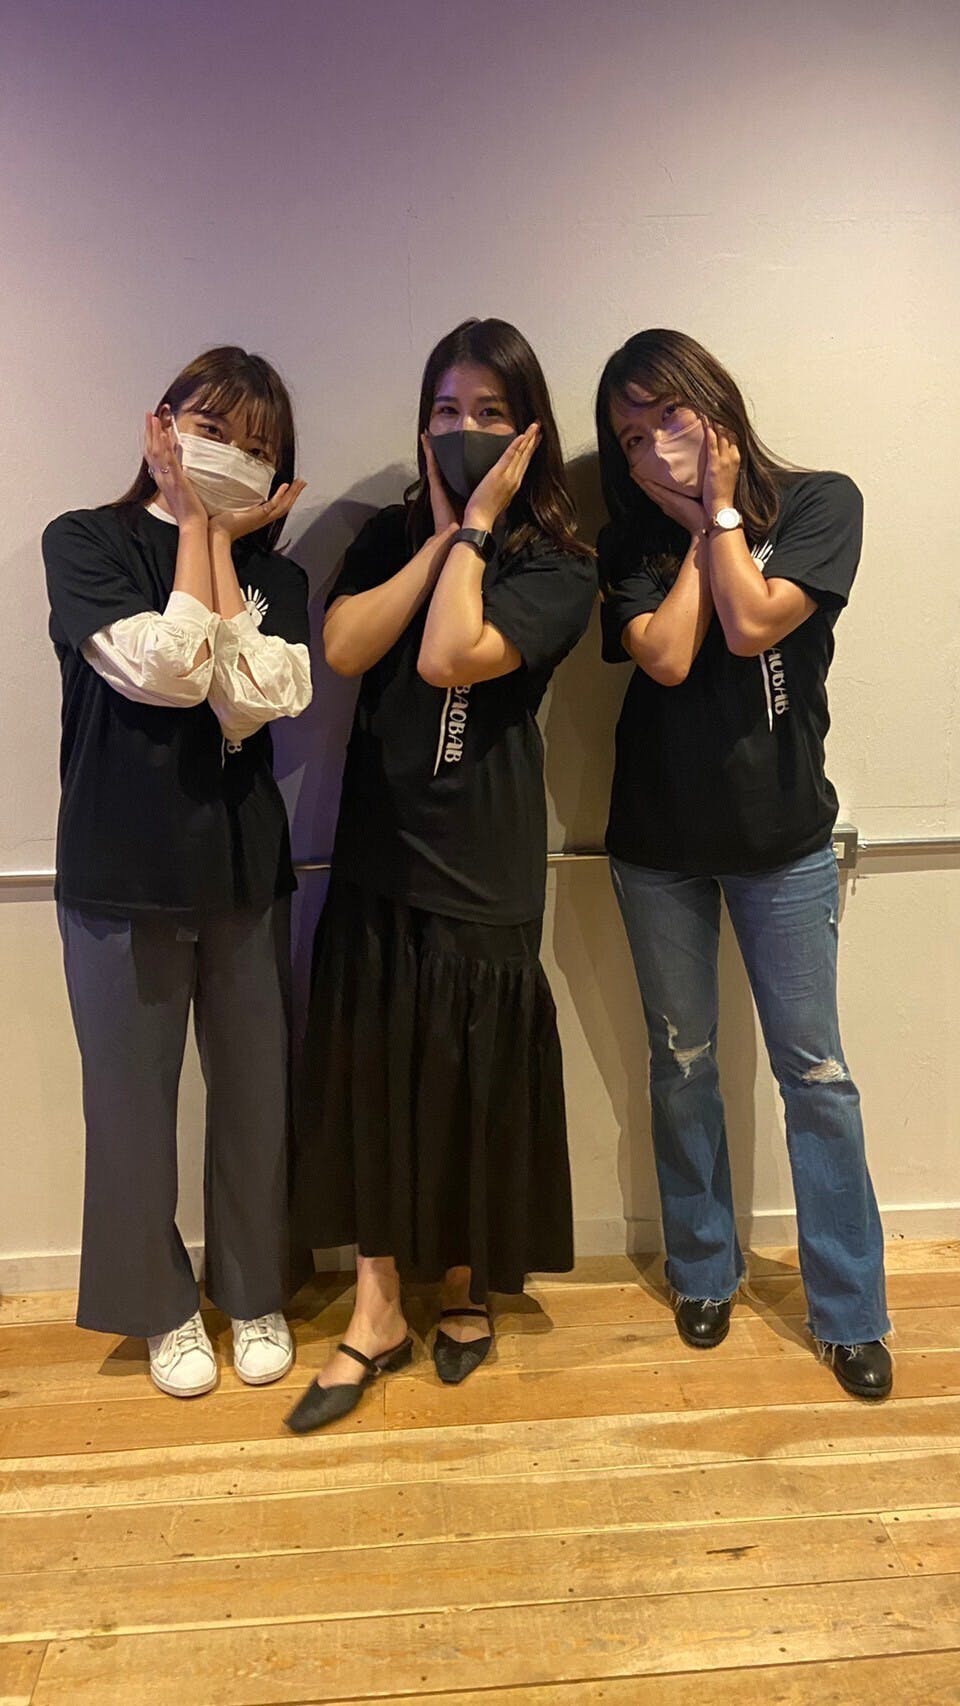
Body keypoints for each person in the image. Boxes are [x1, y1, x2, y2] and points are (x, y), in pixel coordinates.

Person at [287, 317, 596, 1433]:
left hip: (486, 855)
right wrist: (437, 537)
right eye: (447, 410)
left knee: (474, 1078)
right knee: (373, 1074)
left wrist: (478, 530)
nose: (465, 428)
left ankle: (466, 1282)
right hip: (381, 844)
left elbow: (450, 654)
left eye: (490, 413)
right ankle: (376, 1309)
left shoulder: (558, 563)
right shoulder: (385, 533)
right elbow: (346, 648)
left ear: (529, 432)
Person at [595, 328, 891, 1401]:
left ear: (714, 401)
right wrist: (691, 525)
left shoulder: (820, 503)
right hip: (658, 844)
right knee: (682, 1065)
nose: (654, 444)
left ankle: (850, 1310)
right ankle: (704, 1269)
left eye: (668, 415)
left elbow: (757, 623)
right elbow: (671, 655)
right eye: (631, 436)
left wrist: (722, 511)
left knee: (817, 1075)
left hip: (786, 842)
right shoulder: (626, 543)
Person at [43, 346, 312, 1398]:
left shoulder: (279, 578)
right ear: (160, 427)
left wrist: (220, 544)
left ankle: (254, 1288)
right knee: (129, 1110)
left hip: (245, 872)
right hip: (118, 873)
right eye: (211, 429)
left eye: (257, 444)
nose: (231, 453)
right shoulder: (87, 541)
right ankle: (161, 1306)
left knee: (255, 1098)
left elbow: (248, 702)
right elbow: (169, 673)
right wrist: (199, 530)